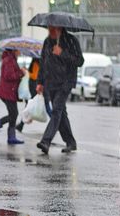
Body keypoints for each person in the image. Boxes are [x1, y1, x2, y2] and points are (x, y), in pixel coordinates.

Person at [36, 26, 84, 154]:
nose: (50, 31)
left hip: (65, 83)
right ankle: (71, 142)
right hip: (50, 82)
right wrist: (40, 82)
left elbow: (79, 61)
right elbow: (43, 62)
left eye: (52, 29)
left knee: (56, 110)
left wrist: (62, 53)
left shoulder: (71, 41)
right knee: (61, 113)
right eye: (49, 29)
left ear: (60, 29)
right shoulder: (47, 42)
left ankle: (46, 141)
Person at [0, 49, 26, 144]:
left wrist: (20, 71)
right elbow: (9, 76)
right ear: (14, 50)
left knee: (13, 114)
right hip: (7, 92)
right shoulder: (9, 60)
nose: (20, 52)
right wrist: (21, 73)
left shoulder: (11, 59)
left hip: (10, 91)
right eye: (18, 51)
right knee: (13, 114)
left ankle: (11, 137)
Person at [16, 58, 52, 132]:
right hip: (41, 87)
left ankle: (57, 124)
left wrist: (26, 72)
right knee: (32, 106)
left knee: (31, 106)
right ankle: (21, 125)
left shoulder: (36, 61)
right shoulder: (43, 61)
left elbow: (34, 76)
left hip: (37, 88)